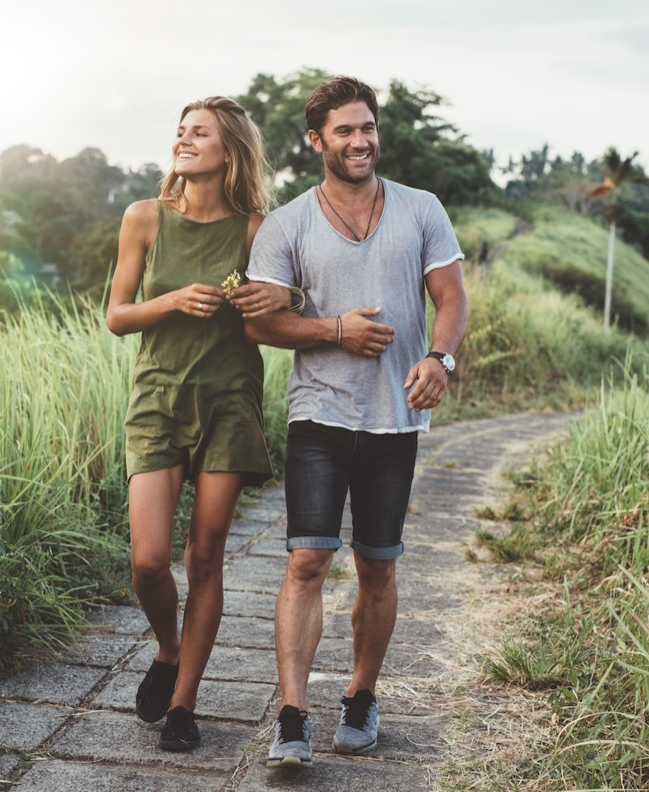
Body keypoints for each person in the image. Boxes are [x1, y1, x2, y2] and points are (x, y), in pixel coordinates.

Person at [244, 75, 468, 767]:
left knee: (377, 566)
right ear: (316, 141)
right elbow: (264, 323)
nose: (360, 140)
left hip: (395, 419)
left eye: (366, 127)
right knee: (308, 558)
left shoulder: (420, 208)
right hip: (319, 411)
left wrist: (440, 359)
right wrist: (335, 330)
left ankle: (362, 695)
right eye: (343, 130)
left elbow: (451, 298)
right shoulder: (288, 223)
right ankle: (291, 714)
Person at [105, 96, 292, 752]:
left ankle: (183, 705)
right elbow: (117, 315)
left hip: (229, 403)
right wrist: (173, 300)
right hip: (157, 399)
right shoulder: (144, 218)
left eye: (199, 133)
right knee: (149, 561)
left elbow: (281, 309)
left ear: (228, 152)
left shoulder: (255, 230)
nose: (184, 141)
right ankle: (166, 648)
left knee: (205, 556)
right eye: (181, 132)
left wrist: (279, 295)